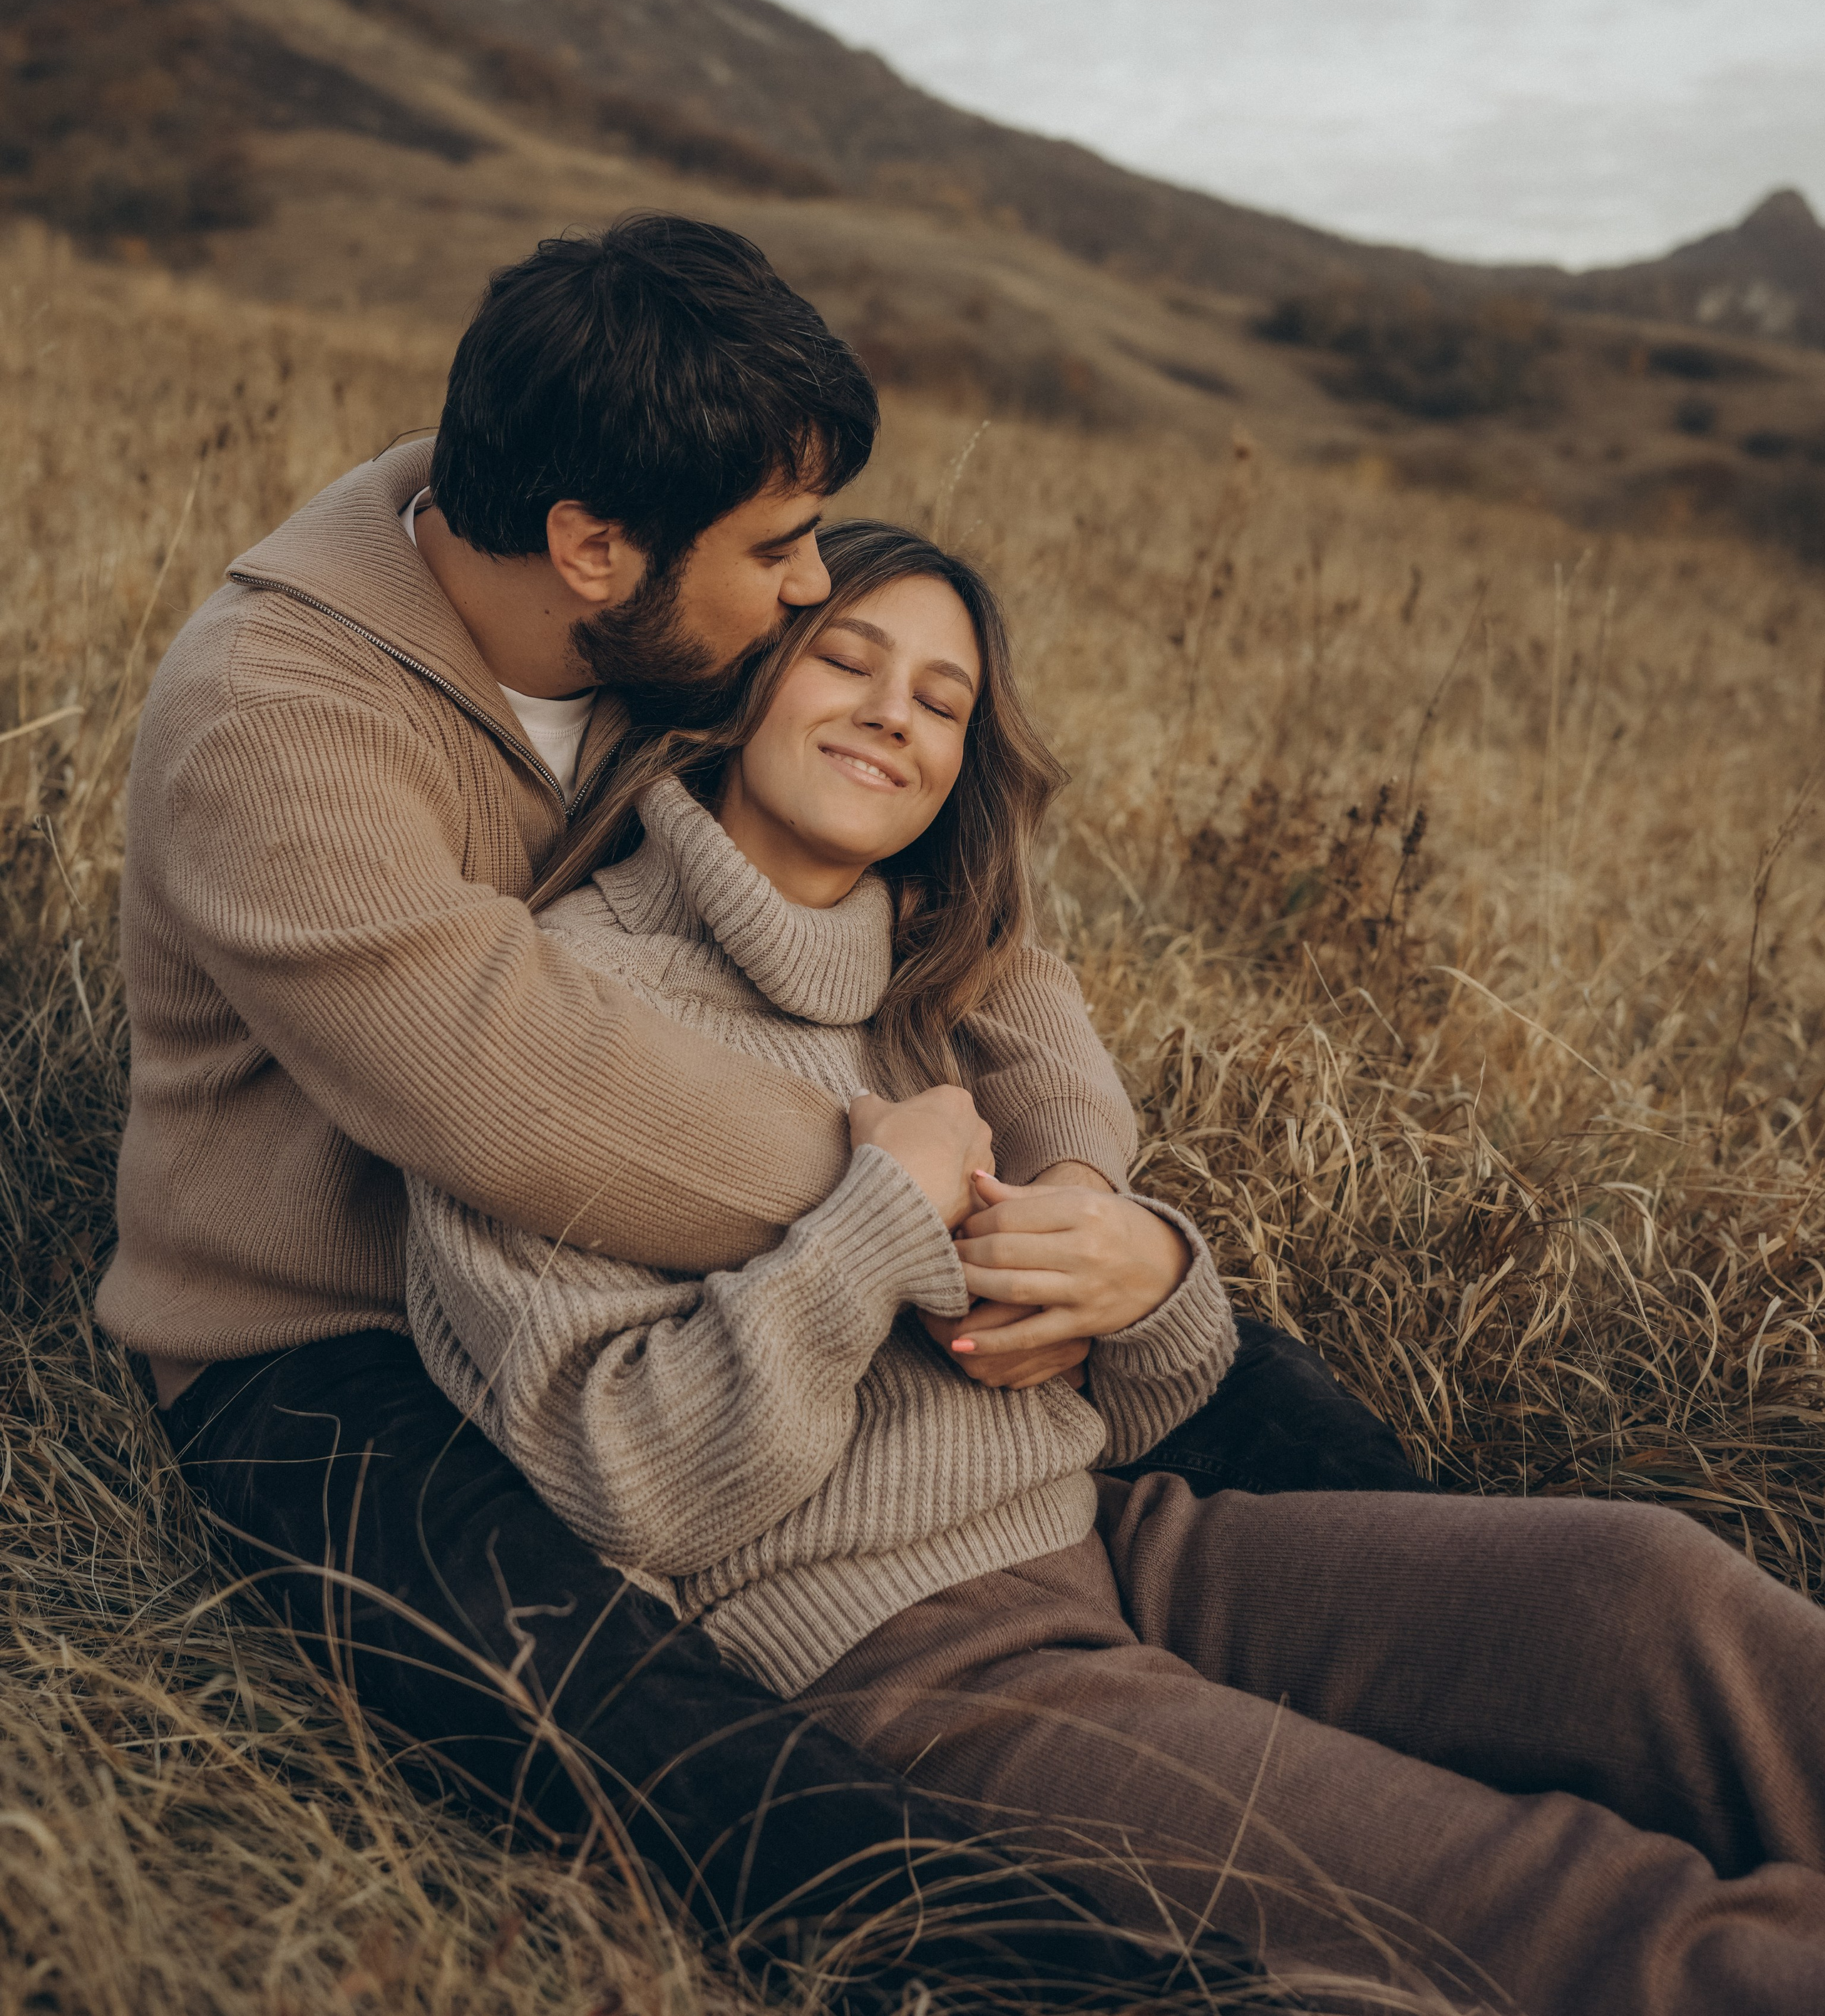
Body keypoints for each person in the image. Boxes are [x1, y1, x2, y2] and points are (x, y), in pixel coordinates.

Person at [115, 215, 1395, 2003]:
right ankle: (1087, 1985)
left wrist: (1080, 1200)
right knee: (660, 1748)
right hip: (328, 1349)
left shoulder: (654, 609)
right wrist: (909, 1211)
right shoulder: (276, 726)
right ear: (590, 546)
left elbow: (981, 930)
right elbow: (522, 1091)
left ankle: (1487, 1717)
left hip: (715, 1263)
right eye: (781, 548)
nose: (811, 591)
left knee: (1278, 1413)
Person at [408, 515, 1825, 2016]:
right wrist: (874, 1217)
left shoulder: (944, 990)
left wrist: (1143, 1273)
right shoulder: (562, 1004)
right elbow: (631, 1486)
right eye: (846, 659)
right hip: (894, 1653)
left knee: (1642, 1592)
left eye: (943, 701)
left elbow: (1149, 1394)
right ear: (744, 679)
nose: (896, 710)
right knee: (1569, 1904)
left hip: (1111, 1536)